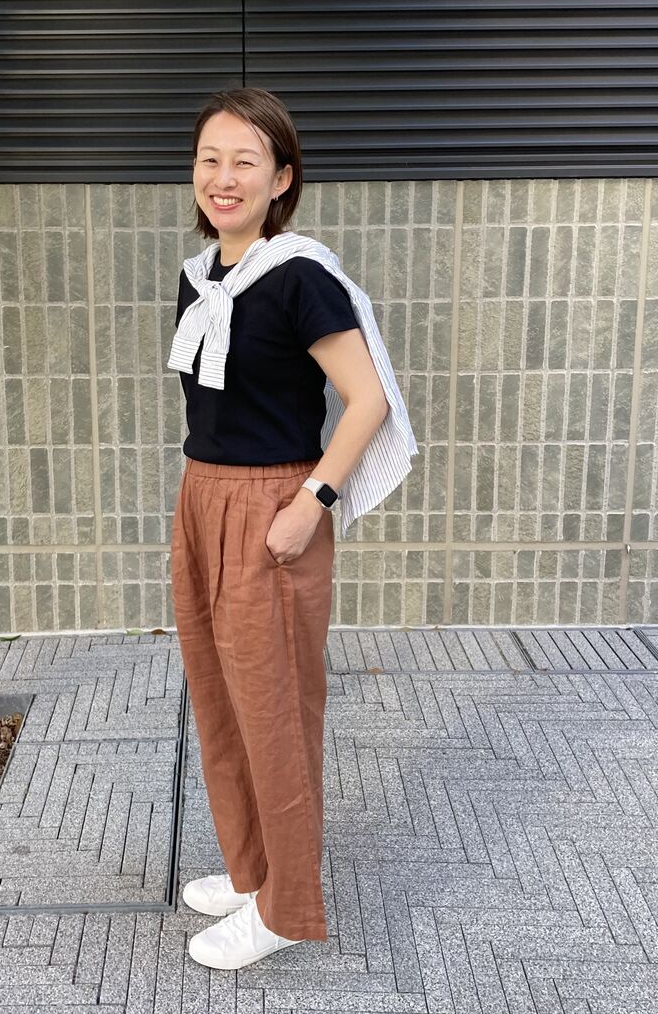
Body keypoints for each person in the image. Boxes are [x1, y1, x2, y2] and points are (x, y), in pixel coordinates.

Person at [168, 87, 417, 971]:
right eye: (210, 159)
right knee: (219, 698)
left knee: (273, 710)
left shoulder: (301, 275)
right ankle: (251, 871)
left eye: (245, 161)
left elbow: (368, 398)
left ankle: (286, 905)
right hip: (202, 498)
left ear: (281, 178)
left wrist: (313, 502)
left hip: (273, 505)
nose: (223, 177)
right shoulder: (205, 275)